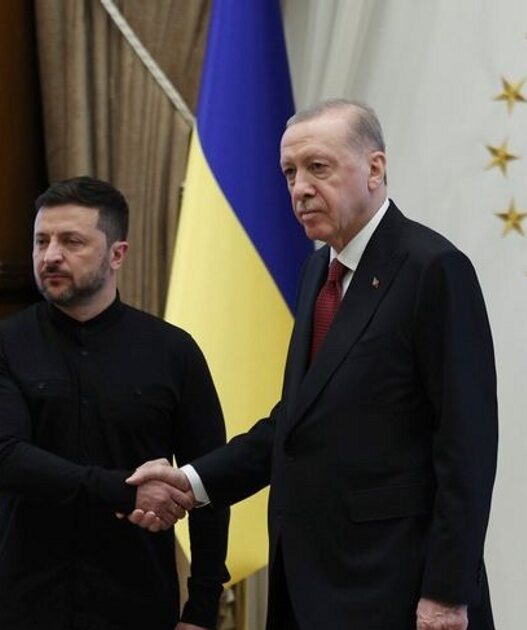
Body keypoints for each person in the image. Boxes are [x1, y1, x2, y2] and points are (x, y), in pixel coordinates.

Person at [127, 100, 498, 630]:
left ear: (374, 168)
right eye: (289, 173)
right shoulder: (317, 272)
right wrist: (192, 481)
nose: (299, 188)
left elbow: (467, 447)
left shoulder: (433, 269)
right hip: (310, 585)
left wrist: (446, 593)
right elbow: (298, 422)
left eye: (317, 167)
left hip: (396, 588)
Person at [0, 176, 229, 630]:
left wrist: (202, 608)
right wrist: (125, 491)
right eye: (41, 241)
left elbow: (208, 482)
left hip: (136, 602)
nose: (50, 256)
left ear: (117, 254)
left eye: (71, 242)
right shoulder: (7, 343)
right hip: (24, 605)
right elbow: (7, 457)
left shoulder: (173, 351)